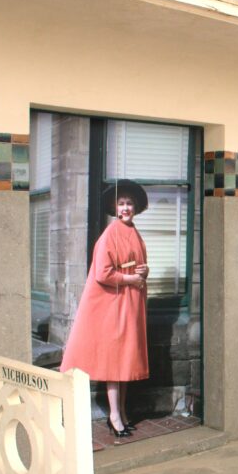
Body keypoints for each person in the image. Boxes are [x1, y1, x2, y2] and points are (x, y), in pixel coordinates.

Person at [60, 180, 150, 438]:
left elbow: (139, 265)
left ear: (136, 207)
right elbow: (102, 273)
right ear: (114, 207)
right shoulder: (110, 235)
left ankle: (122, 413)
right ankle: (114, 416)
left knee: (125, 360)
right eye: (121, 204)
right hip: (114, 305)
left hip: (130, 304)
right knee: (115, 362)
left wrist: (145, 271)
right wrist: (131, 278)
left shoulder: (135, 233)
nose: (125, 208)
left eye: (129, 204)